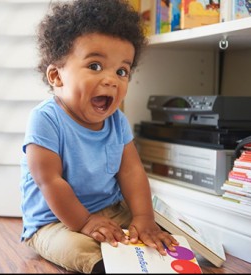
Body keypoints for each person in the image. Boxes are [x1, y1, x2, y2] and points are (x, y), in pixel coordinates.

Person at [19, 0, 179, 273]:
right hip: (54, 222)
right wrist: (84, 223)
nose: (111, 80)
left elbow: (131, 172)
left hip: (112, 209)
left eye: (122, 71)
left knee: (159, 227)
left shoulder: (117, 121)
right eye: (95, 66)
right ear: (57, 76)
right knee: (79, 250)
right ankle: (108, 262)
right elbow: (50, 181)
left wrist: (142, 217)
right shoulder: (45, 120)